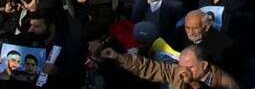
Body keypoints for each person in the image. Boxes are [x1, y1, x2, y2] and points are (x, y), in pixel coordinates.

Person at [98, 45, 239, 88]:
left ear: (204, 65)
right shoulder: (179, 71)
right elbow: (149, 68)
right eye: (181, 66)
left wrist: (193, 83)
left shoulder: (226, 82)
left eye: (190, 67)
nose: (184, 71)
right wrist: (119, 57)